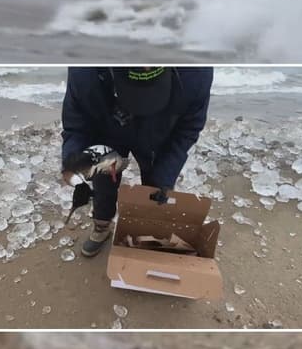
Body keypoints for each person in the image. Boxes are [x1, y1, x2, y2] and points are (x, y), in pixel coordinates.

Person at [60, 66, 214, 257]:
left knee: (156, 190)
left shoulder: (196, 73)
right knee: (104, 183)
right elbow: (76, 123)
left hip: (157, 134)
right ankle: (102, 225)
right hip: (108, 128)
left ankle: (148, 233)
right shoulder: (85, 71)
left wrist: (165, 175)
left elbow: (188, 128)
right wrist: (73, 160)